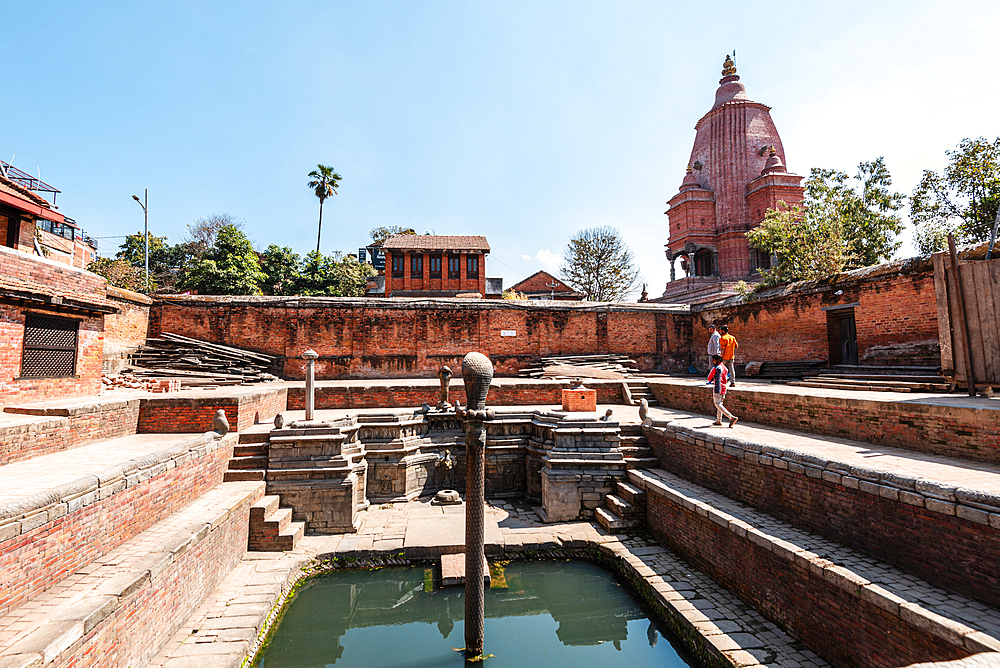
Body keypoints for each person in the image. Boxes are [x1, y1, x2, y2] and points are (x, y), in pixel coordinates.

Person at [707, 354, 738, 427]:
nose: (713, 362)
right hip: (724, 388)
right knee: (720, 405)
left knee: (717, 404)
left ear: (718, 360)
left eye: (714, 360)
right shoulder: (725, 368)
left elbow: (709, 378)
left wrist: (712, 379)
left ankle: (731, 417)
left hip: (717, 387)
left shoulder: (716, 368)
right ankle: (718, 420)